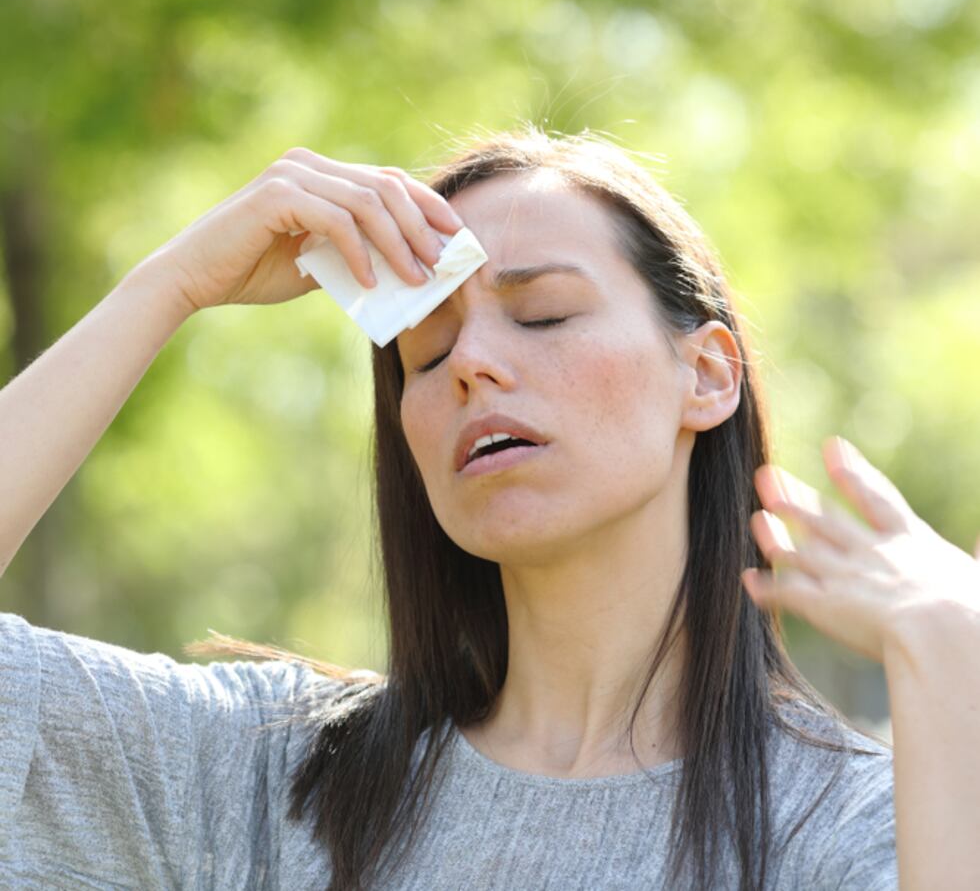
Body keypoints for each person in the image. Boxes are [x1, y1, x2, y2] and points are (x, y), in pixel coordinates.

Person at [0, 128, 977, 891]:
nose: (469, 362)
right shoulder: (269, 778)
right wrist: (169, 284)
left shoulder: (857, 823)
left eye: (542, 313)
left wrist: (947, 641)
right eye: (423, 354)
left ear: (707, 373)